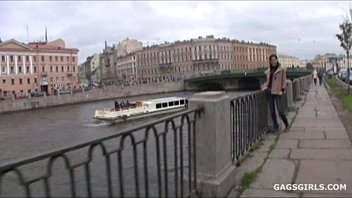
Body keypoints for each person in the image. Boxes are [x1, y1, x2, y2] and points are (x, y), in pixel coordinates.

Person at [262, 54, 289, 133]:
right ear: (270, 61)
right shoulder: (268, 71)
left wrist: (282, 90)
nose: (273, 61)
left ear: (277, 60)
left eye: (274, 59)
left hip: (277, 91)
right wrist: (264, 87)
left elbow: (284, 81)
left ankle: (286, 124)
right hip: (270, 91)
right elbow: (267, 82)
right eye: (272, 60)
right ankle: (276, 127)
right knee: (272, 111)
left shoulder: (281, 69)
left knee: (280, 110)